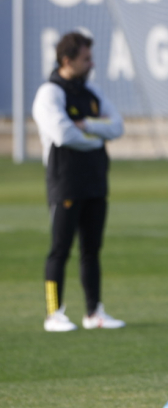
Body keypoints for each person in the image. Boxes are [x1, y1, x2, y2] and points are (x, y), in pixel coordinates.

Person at [33, 31, 125, 332]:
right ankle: (53, 313)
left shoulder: (92, 92)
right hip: (65, 183)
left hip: (95, 181)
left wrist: (87, 126)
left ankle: (94, 312)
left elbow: (117, 126)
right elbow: (63, 134)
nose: (92, 63)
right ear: (67, 60)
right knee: (60, 248)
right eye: (86, 59)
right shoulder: (50, 93)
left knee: (91, 249)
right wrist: (96, 138)